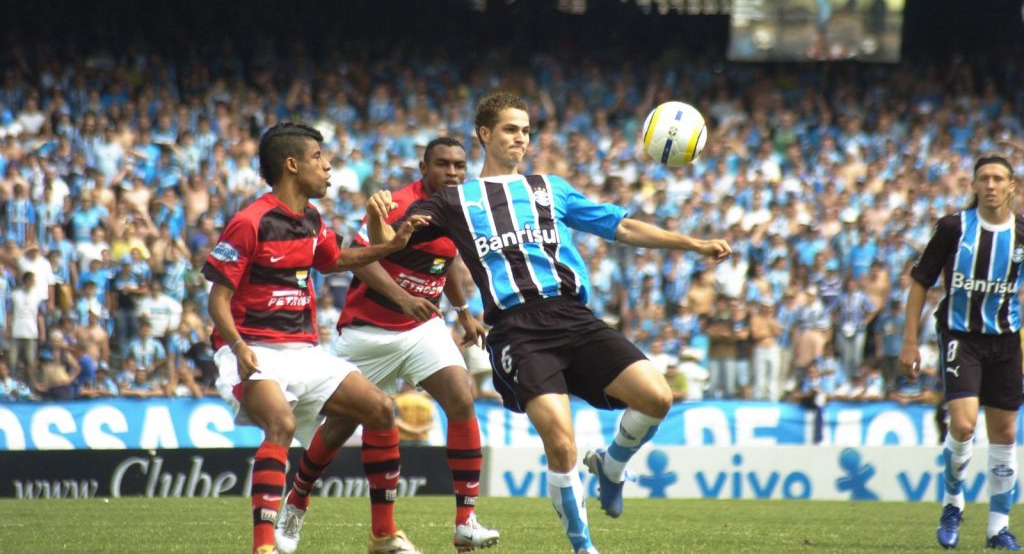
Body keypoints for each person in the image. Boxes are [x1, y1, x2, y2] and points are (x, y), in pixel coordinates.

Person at [368, 92, 731, 554]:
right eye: (509, 129)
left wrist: (693, 244)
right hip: (517, 330)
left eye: (525, 130)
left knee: (658, 396)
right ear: (485, 134)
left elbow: (621, 227)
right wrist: (378, 217)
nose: (520, 138)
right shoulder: (454, 200)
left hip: (573, 317)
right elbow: (391, 243)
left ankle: (612, 466)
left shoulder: (549, 188)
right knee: (562, 445)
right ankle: (584, 548)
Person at [202, 123, 428, 554]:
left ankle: (383, 534)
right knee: (280, 424)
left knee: (380, 409)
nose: (328, 166)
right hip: (253, 348)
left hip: (305, 350)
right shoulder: (250, 222)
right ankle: (264, 546)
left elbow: (337, 259)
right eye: (319, 157)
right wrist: (238, 347)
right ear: (292, 164)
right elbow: (218, 300)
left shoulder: (310, 219)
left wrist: (393, 246)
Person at [275, 137, 499, 554]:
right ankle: (297, 498)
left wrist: (464, 310)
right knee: (339, 429)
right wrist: (402, 297)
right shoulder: (395, 204)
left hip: (421, 328)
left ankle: (465, 520)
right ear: (423, 167)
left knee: (462, 398)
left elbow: (444, 258)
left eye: (459, 165)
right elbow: (359, 254)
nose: (452, 172)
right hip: (367, 332)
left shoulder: (463, 207)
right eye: (443, 164)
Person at [900, 154, 1024, 551]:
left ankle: (997, 528)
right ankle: (952, 504)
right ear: (972, 185)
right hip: (961, 336)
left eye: (998, 178)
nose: (990, 185)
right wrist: (908, 341)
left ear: (1011, 187)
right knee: (965, 425)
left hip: (1006, 341)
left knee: (1004, 433)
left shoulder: (1021, 233)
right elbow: (920, 282)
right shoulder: (954, 227)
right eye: (983, 178)